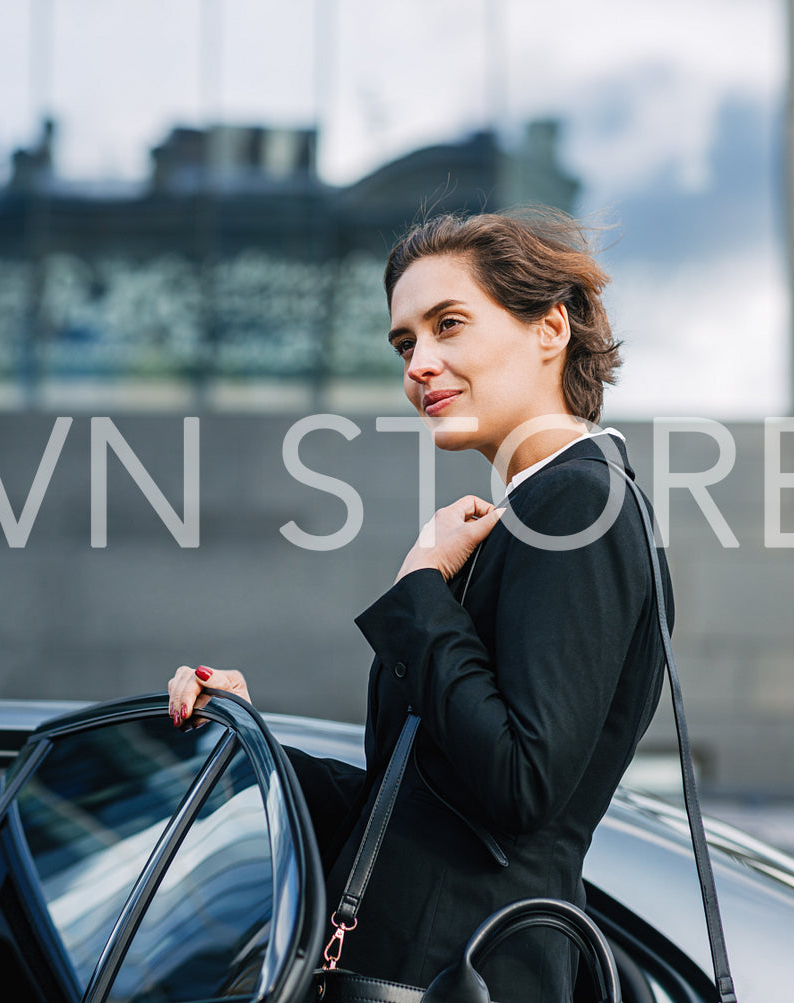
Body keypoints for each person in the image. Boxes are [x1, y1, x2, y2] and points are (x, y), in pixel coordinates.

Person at [167, 208, 673, 1002]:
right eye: (406, 342)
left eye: (448, 325)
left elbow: (519, 783)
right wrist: (246, 741)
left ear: (549, 328)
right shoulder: (531, 514)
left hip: (461, 975)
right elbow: (417, 807)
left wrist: (421, 587)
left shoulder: (577, 502)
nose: (420, 363)